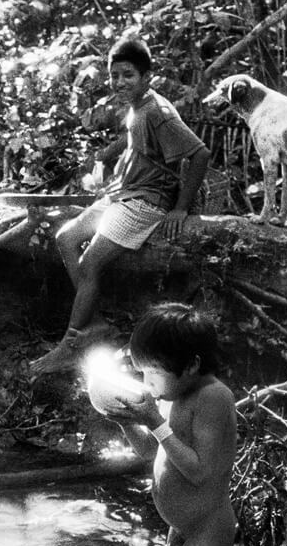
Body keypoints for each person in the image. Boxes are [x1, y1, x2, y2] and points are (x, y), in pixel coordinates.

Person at [30, 39, 210, 373]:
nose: (119, 82)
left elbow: (199, 154)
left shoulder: (159, 112)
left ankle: (70, 344)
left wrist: (181, 208)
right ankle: (94, 322)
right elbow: (133, 136)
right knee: (65, 239)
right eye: (114, 75)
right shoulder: (137, 105)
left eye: (128, 75)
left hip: (146, 200)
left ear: (147, 77)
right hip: (122, 193)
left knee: (89, 263)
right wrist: (104, 155)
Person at [101, 303, 236, 546]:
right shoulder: (173, 395)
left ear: (191, 365)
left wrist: (156, 421)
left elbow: (199, 472)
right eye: (142, 373)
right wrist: (127, 423)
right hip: (182, 525)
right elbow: (152, 451)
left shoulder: (213, 397)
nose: (147, 384)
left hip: (209, 527)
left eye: (154, 373)